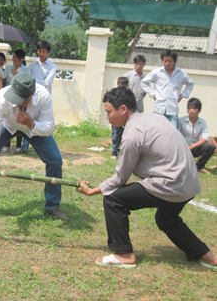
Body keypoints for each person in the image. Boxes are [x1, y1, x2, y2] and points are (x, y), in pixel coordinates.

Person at [76, 87, 217, 270]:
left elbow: (120, 178)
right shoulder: (154, 117)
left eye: (109, 112)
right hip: (190, 183)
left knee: (113, 199)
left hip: (171, 183)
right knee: (167, 219)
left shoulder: (132, 135)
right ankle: (208, 257)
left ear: (123, 109)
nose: (108, 117)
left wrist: (93, 190)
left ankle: (124, 254)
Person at [0, 72, 69, 221]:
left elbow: (49, 127)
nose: (17, 103)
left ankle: (52, 206)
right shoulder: (1, 97)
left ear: (33, 94)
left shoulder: (43, 96)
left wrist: (31, 124)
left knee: (55, 160)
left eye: (22, 100)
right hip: (8, 127)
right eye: (15, 98)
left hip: (33, 129)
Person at [140, 50, 194, 129]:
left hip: (172, 109)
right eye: (165, 61)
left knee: (172, 132)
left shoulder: (181, 73)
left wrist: (183, 95)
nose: (167, 63)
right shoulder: (157, 72)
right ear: (162, 61)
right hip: (159, 108)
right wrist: (152, 94)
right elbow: (143, 82)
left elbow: (190, 84)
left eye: (170, 61)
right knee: (156, 131)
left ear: (174, 61)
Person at [20, 40, 56, 154]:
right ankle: (25, 146)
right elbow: (28, 79)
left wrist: (34, 81)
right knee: (29, 119)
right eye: (39, 51)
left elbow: (48, 82)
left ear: (47, 52)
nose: (41, 54)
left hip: (43, 99)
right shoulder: (33, 65)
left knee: (42, 122)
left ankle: (41, 147)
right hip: (31, 96)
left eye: (43, 51)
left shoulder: (52, 66)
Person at [0, 49, 28, 153]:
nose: (13, 59)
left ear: (21, 59)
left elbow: (25, 82)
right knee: (7, 119)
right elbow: (3, 75)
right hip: (9, 97)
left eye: (16, 57)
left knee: (18, 119)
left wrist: (16, 75)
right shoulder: (10, 68)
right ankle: (7, 145)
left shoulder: (25, 70)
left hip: (20, 98)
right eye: (13, 57)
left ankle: (19, 145)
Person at [178, 98, 216, 175]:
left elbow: (205, 138)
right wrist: (185, 146)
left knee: (211, 146)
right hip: (183, 148)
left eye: (194, 108)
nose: (191, 110)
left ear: (199, 110)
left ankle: (199, 166)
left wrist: (192, 146)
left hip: (194, 147)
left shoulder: (203, 122)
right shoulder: (181, 120)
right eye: (190, 108)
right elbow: (176, 135)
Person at [110, 77, 129, 160]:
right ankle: (114, 153)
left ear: (127, 86)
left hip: (125, 119)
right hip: (116, 119)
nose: (122, 88)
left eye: (124, 86)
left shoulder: (128, 96)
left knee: (124, 136)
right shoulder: (114, 95)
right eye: (120, 86)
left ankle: (121, 152)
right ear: (118, 85)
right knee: (115, 136)